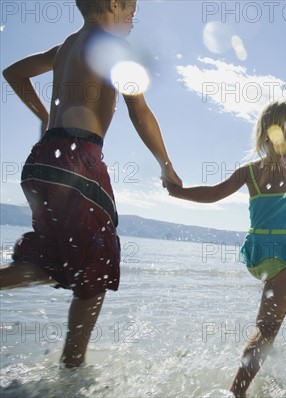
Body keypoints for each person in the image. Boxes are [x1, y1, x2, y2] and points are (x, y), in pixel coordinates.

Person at [0, 0, 181, 368]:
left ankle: (71, 364)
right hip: (78, 161)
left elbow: (14, 73)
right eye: (131, 10)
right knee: (96, 266)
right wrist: (166, 165)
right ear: (114, 4)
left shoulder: (65, 47)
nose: (132, 20)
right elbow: (139, 109)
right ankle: (72, 369)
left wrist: (46, 115)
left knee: (50, 259)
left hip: (41, 161)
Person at [165, 100, 286, 398]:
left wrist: (178, 192)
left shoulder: (250, 172)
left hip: (256, 253)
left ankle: (264, 377)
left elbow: (213, 194)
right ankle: (235, 392)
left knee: (267, 327)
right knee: (266, 330)